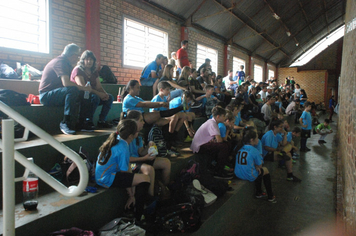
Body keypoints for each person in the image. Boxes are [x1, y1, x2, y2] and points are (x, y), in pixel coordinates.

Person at [95, 119, 152, 221]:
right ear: (131, 136)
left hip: (105, 175)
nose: (138, 132)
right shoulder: (123, 147)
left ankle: (139, 206)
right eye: (137, 131)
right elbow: (125, 173)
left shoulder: (118, 139)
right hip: (106, 179)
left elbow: (128, 169)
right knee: (145, 179)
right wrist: (131, 195)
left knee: (140, 175)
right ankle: (138, 214)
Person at [39, 43, 92, 135]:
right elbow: (66, 83)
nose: (77, 59)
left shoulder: (66, 63)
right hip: (46, 95)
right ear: (73, 55)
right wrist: (83, 88)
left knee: (83, 94)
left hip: (58, 93)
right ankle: (65, 122)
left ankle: (82, 122)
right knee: (73, 89)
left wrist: (83, 90)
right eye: (77, 56)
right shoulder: (60, 62)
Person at [122, 110, 172, 193]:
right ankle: (151, 197)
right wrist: (144, 158)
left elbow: (141, 152)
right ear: (133, 122)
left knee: (166, 162)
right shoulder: (126, 137)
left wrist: (149, 147)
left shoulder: (138, 136)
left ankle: (165, 189)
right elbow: (126, 159)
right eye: (141, 120)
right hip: (130, 164)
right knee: (149, 169)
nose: (144, 123)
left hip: (139, 160)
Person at [70, 50, 113, 129]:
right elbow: (83, 87)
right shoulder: (78, 70)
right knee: (95, 97)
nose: (89, 61)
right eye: (87, 59)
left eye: (91, 59)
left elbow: (99, 87)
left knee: (109, 98)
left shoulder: (94, 71)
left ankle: (102, 121)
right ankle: (87, 120)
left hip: (92, 94)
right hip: (81, 96)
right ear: (82, 60)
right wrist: (99, 94)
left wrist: (104, 94)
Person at [234, 128, 276, 203]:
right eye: (257, 137)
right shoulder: (254, 151)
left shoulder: (240, 148)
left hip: (237, 174)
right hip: (248, 175)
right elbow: (260, 166)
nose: (258, 139)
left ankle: (259, 192)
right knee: (264, 170)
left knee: (257, 170)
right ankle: (270, 196)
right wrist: (257, 166)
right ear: (251, 140)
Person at [191, 107, 233, 179]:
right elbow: (219, 140)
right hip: (199, 146)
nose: (224, 118)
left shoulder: (213, 122)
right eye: (223, 116)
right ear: (218, 116)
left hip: (202, 144)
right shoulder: (212, 123)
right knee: (223, 146)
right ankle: (219, 171)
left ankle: (220, 166)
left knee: (226, 144)